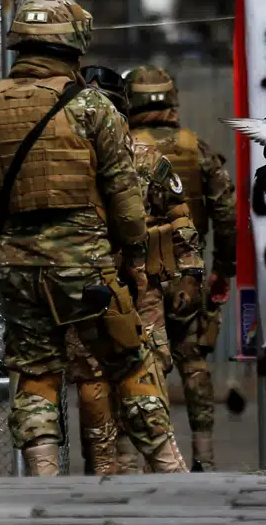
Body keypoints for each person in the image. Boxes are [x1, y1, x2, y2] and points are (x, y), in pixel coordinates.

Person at [0, 0, 187, 475]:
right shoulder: (90, 107)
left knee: (37, 372)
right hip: (86, 264)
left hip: (17, 262)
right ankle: (172, 471)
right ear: (73, 44)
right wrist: (135, 255)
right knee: (130, 358)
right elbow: (124, 194)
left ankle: (44, 478)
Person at [72, 65, 202, 474]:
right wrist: (190, 272)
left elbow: (180, 219)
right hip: (117, 285)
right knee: (126, 375)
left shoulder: (81, 156)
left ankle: (117, 467)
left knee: (120, 375)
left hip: (115, 285)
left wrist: (189, 273)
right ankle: (123, 468)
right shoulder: (122, 157)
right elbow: (182, 219)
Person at [121, 66, 236, 471]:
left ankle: (146, 455)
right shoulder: (196, 147)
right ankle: (203, 453)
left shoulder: (121, 147)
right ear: (171, 99)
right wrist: (223, 268)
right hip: (189, 270)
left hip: (136, 276)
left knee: (142, 360)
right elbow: (226, 213)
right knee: (193, 361)